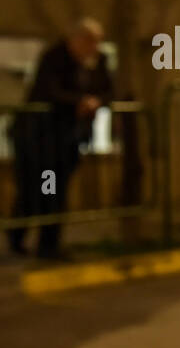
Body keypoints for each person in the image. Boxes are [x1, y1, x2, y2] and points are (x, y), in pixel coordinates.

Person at [7, 18, 111, 259]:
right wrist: (79, 102)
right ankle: (20, 240)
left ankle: (47, 243)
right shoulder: (55, 57)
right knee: (38, 189)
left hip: (66, 141)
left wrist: (94, 101)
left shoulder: (97, 62)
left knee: (54, 190)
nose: (93, 48)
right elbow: (48, 91)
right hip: (39, 141)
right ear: (75, 39)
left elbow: (108, 90)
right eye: (89, 42)